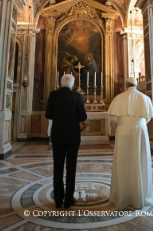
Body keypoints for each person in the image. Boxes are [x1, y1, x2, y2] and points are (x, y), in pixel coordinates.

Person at [107, 77, 153, 210]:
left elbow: (113, 116)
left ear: (126, 85)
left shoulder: (119, 97)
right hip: (140, 131)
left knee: (124, 160)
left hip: (123, 131)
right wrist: (139, 123)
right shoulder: (145, 98)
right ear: (137, 85)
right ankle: (140, 194)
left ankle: (123, 196)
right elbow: (149, 116)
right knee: (139, 159)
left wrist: (123, 123)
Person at [45, 74, 87, 209]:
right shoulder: (77, 97)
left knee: (57, 168)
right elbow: (83, 116)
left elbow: (48, 115)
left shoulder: (53, 95)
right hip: (73, 137)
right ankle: (68, 200)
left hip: (57, 136)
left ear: (60, 83)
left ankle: (58, 200)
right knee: (71, 168)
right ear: (73, 85)